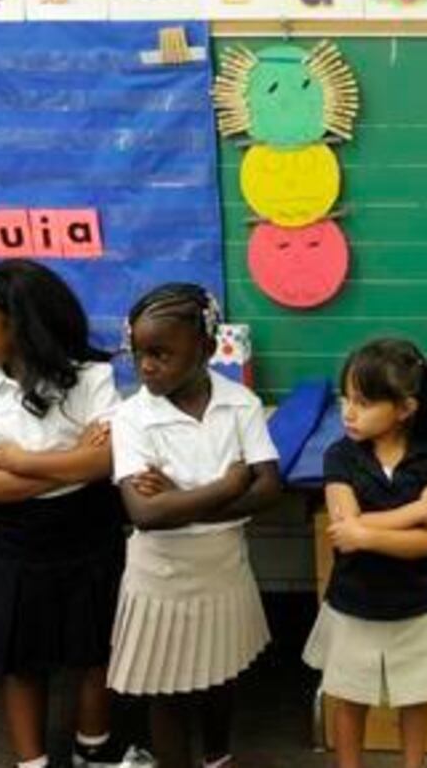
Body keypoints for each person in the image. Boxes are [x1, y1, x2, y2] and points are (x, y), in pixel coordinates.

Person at [0, 259, 141, 768]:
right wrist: (72, 461)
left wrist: (24, 462)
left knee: (97, 647)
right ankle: (31, 761)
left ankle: (92, 745)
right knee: (21, 658)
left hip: (90, 528)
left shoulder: (92, 378)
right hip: (19, 541)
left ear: (19, 326)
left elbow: (106, 462)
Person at [110, 284, 282, 768]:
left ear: (206, 350)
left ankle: (216, 756)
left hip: (222, 566)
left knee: (220, 675)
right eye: (139, 353)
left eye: (161, 353)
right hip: (161, 575)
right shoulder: (131, 416)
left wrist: (179, 499)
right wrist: (227, 487)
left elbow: (268, 490)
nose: (146, 366)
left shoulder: (240, 403)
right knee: (165, 687)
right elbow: (145, 515)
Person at [304, 339, 427, 768]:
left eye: (363, 401)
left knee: (414, 698)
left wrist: (366, 532)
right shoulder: (340, 455)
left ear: (405, 409)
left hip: (415, 604)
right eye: (346, 399)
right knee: (351, 699)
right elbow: (342, 529)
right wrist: (417, 511)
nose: (348, 411)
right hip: (354, 604)